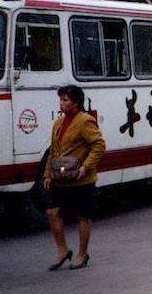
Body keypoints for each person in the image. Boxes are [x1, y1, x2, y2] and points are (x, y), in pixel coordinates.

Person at [44, 85, 105, 271]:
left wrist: (86, 166)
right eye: (61, 100)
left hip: (81, 179)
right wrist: (47, 174)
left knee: (82, 217)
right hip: (60, 178)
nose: (62, 104)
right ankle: (63, 250)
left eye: (66, 100)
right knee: (52, 212)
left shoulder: (85, 121)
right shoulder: (58, 123)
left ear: (76, 102)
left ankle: (82, 254)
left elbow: (99, 145)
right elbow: (53, 152)